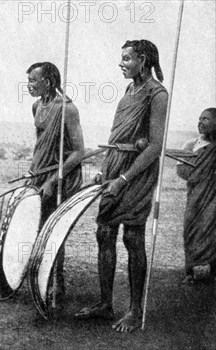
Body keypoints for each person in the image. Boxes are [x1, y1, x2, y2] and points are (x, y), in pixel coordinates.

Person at [74, 39, 168, 333]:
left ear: (143, 59)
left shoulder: (158, 94)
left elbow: (154, 146)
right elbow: (118, 136)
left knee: (133, 238)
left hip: (138, 173)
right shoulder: (129, 91)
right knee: (104, 232)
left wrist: (123, 179)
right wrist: (105, 170)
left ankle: (135, 309)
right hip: (116, 164)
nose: (121, 64)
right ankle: (105, 304)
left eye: (126, 59)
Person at [26, 62, 84, 300]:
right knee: (37, 228)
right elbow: (40, 144)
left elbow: (78, 152)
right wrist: (35, 172)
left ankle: (57, 283)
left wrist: (52, 180)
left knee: (55, 231)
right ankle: (41, 278)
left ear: (47, 82)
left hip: (62, 178)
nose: (28, 85)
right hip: (39, 174)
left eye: (33, 81)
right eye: (28, 80)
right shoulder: (37, 106)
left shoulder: (67, 109)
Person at [176, 108, 216, 284]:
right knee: (191, 228)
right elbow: (181, 170)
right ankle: (191, 270)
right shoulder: (191, 144)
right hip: (195, 195)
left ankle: (212, 269)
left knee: (211, 229)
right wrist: (197, 174)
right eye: (199, 118)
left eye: (205, 119)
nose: (200, 122)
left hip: (213, 196)